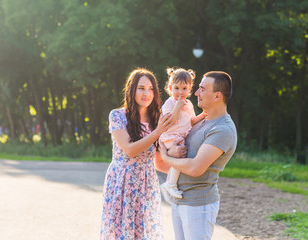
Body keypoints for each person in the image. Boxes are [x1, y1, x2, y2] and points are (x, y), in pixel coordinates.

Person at [156, 71, 237, 240]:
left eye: (201, 88)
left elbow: (195, 168)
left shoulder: (222, 129)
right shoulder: (202, 122)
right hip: (180, 200)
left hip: (198, 204)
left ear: (217, 96)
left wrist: (166, 156)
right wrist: (168, 151)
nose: (197, 92)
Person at [100, 68, 173, 240]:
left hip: (147, 184)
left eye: (151, 89)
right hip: (122, 182)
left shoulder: (157, 119)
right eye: (141, 88)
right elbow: (130, 150)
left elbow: (160, 162)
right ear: (132, 90)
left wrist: (185, 171)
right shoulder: (117, 116)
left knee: (144, 233)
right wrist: (156, 133)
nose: (146, 93)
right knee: (121, 232)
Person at [159, 67, 207, 201]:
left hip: (181, 136)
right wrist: (178, 106)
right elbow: (170, 120)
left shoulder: (189, 104)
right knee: (179, 156)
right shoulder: (169, 103)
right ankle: (170, 184)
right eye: (176, 88)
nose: (180, 92)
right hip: (171, 136)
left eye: (184, 88)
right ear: (170, 87)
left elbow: (191, 121)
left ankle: (171, 183)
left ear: (190, 88)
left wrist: (203, 115)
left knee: (183, 156)